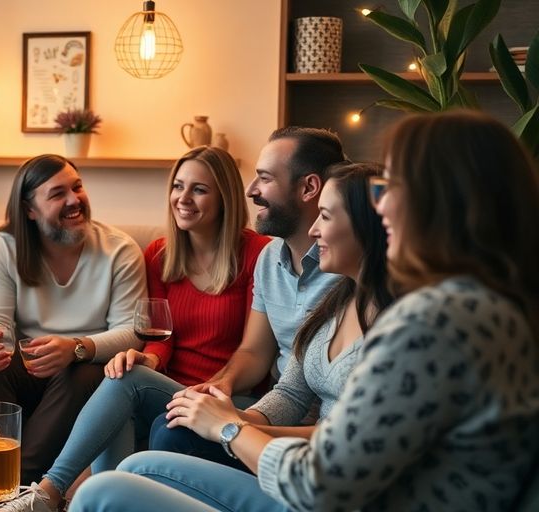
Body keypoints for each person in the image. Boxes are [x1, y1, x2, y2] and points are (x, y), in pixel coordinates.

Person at [70, 110, 539, 511]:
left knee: (104, 491)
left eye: (392, 187)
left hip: (325, 492)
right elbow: (302, 396)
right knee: (136, 464)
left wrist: (230, 427)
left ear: (447, 204)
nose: (384, 204)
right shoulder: (483, 306)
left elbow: (320, 482)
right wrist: (235, 416)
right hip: (317, 469)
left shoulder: (434, 319)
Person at [0, 146, 270, 511]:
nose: (183, 198)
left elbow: (254, 350)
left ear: (224, 196)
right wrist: (146, 358)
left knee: (119, 380)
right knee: (123, 372)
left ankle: (46, 494)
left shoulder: (259, 254)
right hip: (168, 388)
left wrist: (219, 384)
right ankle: (76, 498)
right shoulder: (161, 254)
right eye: (178, 186)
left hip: (226, 395)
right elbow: (161, 337)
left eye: (199, 189)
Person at [148, 126, 346, 460]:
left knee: (169, 436)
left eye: (265, 178)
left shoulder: (349, 280)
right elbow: (271, 370)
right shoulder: (269, 258)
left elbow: (340, 430)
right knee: (170, 425)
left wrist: (232, 426)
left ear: (309, 188)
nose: (251, 190)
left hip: (316, 449)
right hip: (282, 412)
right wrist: (225, 397)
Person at [0, 154, 148, 488]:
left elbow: (131, 332)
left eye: (77, 187)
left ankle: (15, 489)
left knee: (85, 373)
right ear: (30, 210)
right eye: (57, 194)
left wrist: (78, 348)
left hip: (83, 369)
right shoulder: (3, 248)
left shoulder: (120, 250)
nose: (73, 200)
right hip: (26, 365)